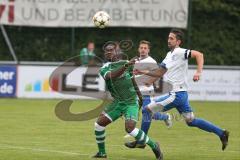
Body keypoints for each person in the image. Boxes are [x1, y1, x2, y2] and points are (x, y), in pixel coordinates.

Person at [126, 29, 229, 151]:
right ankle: (221, 133)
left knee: (147, 110)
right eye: (168, 38)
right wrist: (144, 74)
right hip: (181, 95)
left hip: (176, 94)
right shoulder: (169, 55)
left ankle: (141, 141)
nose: (169, 40)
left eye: (172, 38)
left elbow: (199, 55)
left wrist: (198, 72)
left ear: (178, 41)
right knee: (191, 121)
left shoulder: (180, 52)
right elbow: (160, 71)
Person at [93, 42, 163, 160]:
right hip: (117, 103)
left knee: (130, 128)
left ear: (118, 52)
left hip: (131, 102)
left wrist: (140, 98)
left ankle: (154, 145)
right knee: (99, 124)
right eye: (107, 51)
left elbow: (133, 81)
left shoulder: (127, 64)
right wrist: (126, 66)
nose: (108, 52)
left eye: (111, 50)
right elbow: (110, 76)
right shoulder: (105, 68)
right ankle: (102, 153)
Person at [124, 40, 172, 140]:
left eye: (145, 48)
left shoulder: (151, 61)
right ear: (138, 49)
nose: (143, 50)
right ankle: (133, 131)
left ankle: (166, 117)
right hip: (136, 92)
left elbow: (158, 74)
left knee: (148, 113)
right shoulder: (135, 61)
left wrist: (150, 81)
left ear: (148, 50)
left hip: (147, 92)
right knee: (134, 112)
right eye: (141, 48)